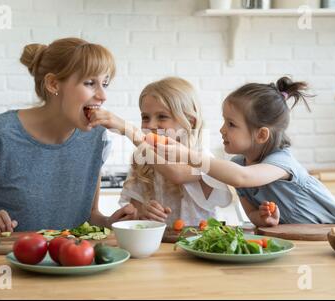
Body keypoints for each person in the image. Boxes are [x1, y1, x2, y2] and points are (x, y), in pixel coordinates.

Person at [0, 37, 137, 235]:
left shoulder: (96, 138)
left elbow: (90, 214)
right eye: (90, 83)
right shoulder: (0, 134)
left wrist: (110, 222)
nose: (103, 96)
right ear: (53, 84)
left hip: (59, 262)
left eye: (105, 83)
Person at [153, 76, 335, 227]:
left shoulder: (281, 162)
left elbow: (242, 178)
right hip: (296, 242)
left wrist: (186, 154)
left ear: (261, 135)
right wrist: (265, 218)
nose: (222, 129)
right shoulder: (238, 165)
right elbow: (253, 216)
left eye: (231, 124)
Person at [88, 77, 232, 226]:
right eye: (145, 117)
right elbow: (134, 212)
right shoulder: (141, 159)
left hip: (197, 244)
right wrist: (143, 212)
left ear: (189, 121)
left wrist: (129, 131)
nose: (150, 125)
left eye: (162, 117)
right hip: (158, 246)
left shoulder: (201, 156)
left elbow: (175, 173)